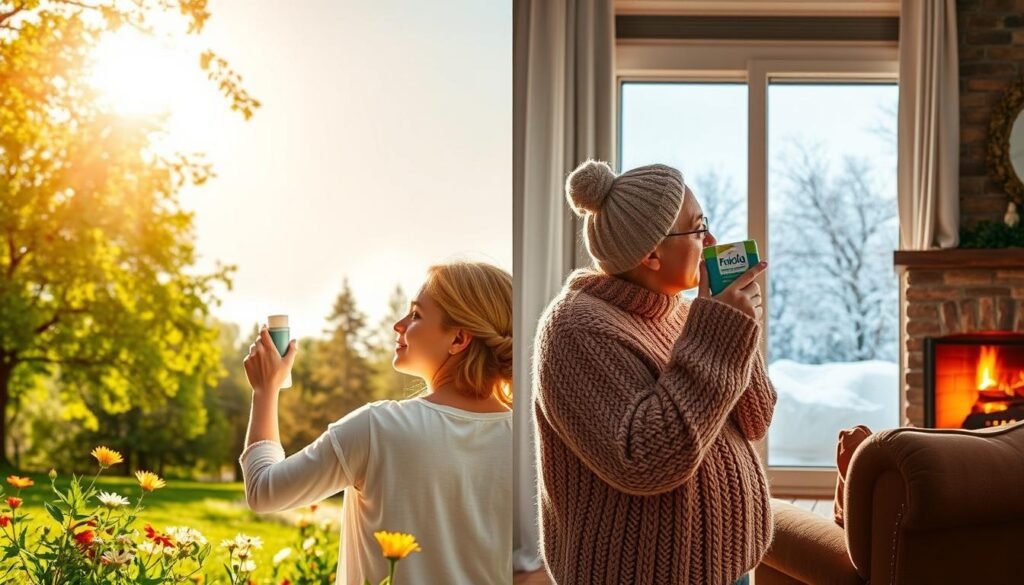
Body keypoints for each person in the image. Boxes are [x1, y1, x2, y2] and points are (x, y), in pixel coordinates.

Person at [532, 160, 777, 585]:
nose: (712, 240)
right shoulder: (575, 327)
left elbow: (756, 420)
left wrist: (738, 330)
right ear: (651, 253)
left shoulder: (685, 315)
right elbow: (646, 459)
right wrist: (719, 333)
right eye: (698, 228)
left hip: (730, 567)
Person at [240, 261, 513, 585]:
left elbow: (263, 491)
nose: (398, 325)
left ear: (458, 339)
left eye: (416, 316)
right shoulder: (530, 442)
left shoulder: (379, 427)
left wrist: (265, 389)